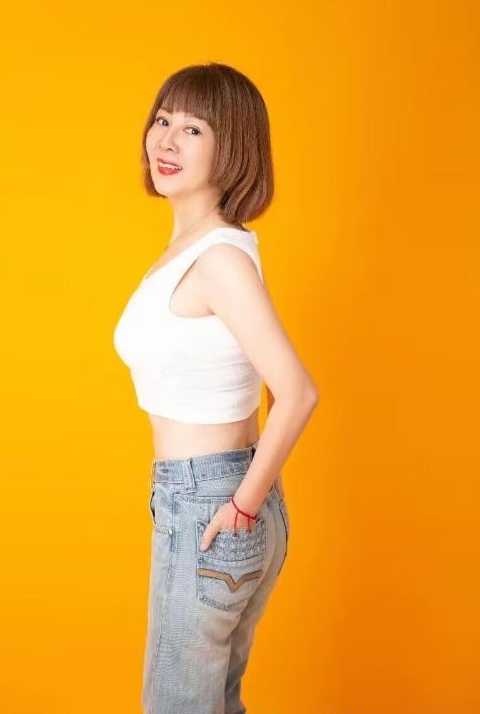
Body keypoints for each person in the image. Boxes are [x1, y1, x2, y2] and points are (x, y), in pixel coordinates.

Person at [113, 62, 319, 714]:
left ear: (233, 148)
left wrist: (241, 504)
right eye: (163, 120)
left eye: (194, 128)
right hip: (212, 498)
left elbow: (297, 392)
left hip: (210, 503)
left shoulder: (220, 260)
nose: (166, 140)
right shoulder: (201, 251)